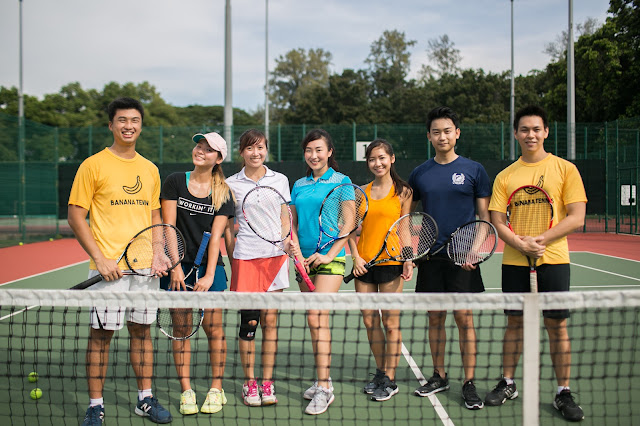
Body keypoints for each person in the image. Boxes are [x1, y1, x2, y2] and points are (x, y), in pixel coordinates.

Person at [68, 97, 172, 425]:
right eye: (122, 120)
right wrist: (100, 259)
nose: (129, 126)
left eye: (134, 120)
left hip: (144, 270)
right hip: (108, 270)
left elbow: (154, 216)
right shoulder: (92, 165)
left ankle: (145, 399)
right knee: (101, 336)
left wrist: (158, 252)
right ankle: (95, 405)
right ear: (111, 125)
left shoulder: (150, 169)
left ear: (141, 125)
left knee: (142, 333)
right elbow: (75, 216)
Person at [485, 105, 586, 422]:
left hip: (554, 260)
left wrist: (541, 239)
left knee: (557, 325)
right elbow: (498, 220)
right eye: (524, 129)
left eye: (536, 129)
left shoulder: (565, 169)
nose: (531, 134)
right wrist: (518, 243)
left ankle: (563, 392)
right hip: (515, 262)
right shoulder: (505, 176)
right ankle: (508, 383)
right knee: (514, 323)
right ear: (516, 134)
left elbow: (577, 217)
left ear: (546, 132)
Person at [408, 106, 491, 410]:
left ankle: (469, 382)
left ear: (457, 133)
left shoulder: (474, 170)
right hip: (431, 259)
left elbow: (484, 218)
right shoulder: (420, 173)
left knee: (464, 319)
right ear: (429, 136)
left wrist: (474, 250)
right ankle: (439, 375)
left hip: (462, 258)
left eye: (447, 131)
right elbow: (409, 215)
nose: (442, 136)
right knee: (435, 318)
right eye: (436, 132)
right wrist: (414, 250)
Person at [160, 132, 234, 416]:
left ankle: (216, 389)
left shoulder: (223, 192)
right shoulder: (175, 181)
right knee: (181, 331)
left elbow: (216, 238)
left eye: (208, 149)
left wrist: (209, 275)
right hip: (176, 267)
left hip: (208, 268)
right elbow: (168, 227)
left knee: (213, 329)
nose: (200, 151)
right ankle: (186, 391)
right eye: (199, 146)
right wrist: (176, 267)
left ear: (218, 159)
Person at [224, 129, 290, 407]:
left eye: (260, 147)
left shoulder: (280, 180)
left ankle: (267, 382)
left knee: (270, 323)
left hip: (275, 259)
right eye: (250, 148)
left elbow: (285, 216)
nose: (255, 153)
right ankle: (250, 383)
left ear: (266, 150)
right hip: (246, 258)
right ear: (241, 152)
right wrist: (234, 257)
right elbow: (228, 226)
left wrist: (286, 241)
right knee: (248, 323)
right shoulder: (230, 184)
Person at [290, 129, 352, 415]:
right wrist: (296, 251)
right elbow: (292, 222)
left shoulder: (342, 182)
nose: (313, 155)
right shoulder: (299, 184)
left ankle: (325, 387)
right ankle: (321, 378)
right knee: (312, 321)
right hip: (303, 259)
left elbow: (349, 224)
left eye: (318, 150)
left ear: (329, 152)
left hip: (330, 258)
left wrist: (327, 254)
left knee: (318, 317)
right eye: (309, 150)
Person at [348, 139, 414, 402]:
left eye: (382, 158)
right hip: (364, 264)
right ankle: (380, 371)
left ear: (392, 159)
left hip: (391, 263)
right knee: (369, 321)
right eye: (372, 159)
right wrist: (355, 258)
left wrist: (407, 259)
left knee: (390, 322)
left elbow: (405, 227)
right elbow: (351, 230)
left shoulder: (404, 192)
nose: (378, 163)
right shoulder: (360, 192)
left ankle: (389, 378)